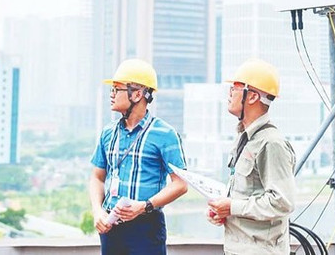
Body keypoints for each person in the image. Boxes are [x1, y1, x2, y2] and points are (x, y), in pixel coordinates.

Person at [88, 58, 188, 254]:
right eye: (112, 89)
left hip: (146, 226)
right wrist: (97, 211)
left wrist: (144, 206)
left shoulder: (165, 134)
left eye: (117, 89)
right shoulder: (108, 133)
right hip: (111, 225)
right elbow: (97, 178)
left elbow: (180, 184)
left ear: (138, 93)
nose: (112, 94)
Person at [206, 58, 296, 255]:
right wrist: (224, 211)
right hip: (238, 248)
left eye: (236, 87)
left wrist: (232, 207)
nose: (230, 93)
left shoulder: (271, 143)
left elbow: (282, 202)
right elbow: (247, 194)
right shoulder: (245, 138)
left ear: (253, 96)